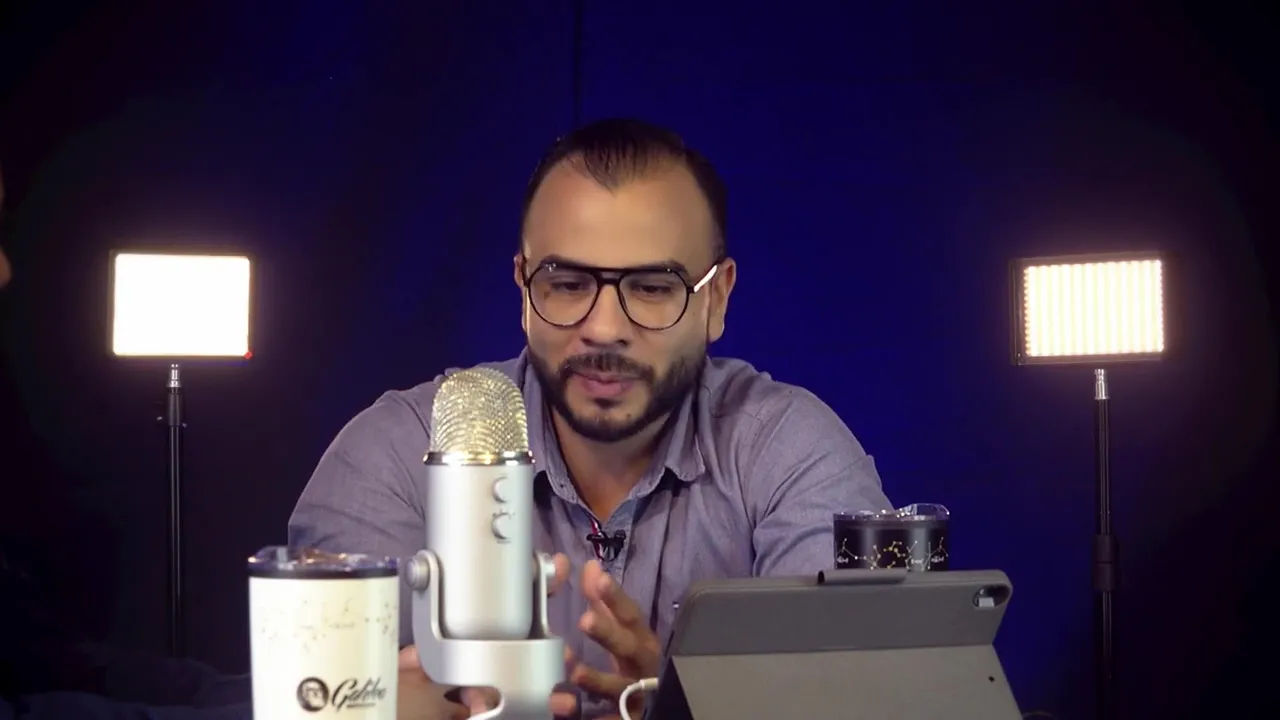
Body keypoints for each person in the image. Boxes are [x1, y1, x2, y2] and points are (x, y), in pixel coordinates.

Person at [288, 117, 894, 719]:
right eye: (568, 283)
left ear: (716, 299)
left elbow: (864, 695)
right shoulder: (394, 453)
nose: (604, 329)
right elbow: (317, 698)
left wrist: (681, 709)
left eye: (653, 287)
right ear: (524, 288)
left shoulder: (790, 450)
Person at [0, 169, 476, 719]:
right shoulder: (394, 440)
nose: (7, 271)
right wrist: (347, 711)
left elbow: (44, 663)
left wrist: (319, 692)